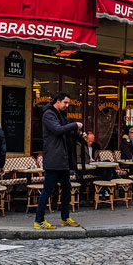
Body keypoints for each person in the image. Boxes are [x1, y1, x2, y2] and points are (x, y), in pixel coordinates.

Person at [34, 92, 83, 230]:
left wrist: (78, 134)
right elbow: (57, 130)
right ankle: (39, 220)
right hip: (54, 158)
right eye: (65, 102)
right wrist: (74, 125)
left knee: (67, 188)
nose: (67, 106)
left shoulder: (60, 115)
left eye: (68, 103)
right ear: (58, 101)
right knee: (48, 189)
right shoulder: (49, 114)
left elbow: (65, 132)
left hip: (62, 158)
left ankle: (65, 218)